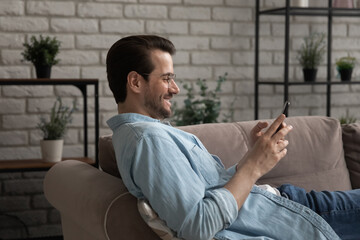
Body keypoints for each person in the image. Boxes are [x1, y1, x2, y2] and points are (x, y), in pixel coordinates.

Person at [106, 35, 360, 240]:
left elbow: (210, 190)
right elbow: (199, 225)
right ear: (135, 82)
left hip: (282, 204)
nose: (176, 88)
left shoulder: (143, 135)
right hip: (290, 215)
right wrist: (253, 167)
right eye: (167, 78)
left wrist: (255, 153)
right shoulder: (148, 141)